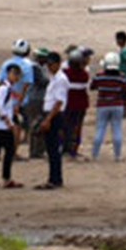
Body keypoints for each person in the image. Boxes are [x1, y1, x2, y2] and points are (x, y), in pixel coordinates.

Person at [0, 64, 23, 189]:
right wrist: (7, 120)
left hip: (3, 126)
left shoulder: (8, 89)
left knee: (7, 152)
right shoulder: (4, 89)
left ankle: (4, 178)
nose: (16, 78)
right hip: (0, 126)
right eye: (15, 74)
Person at [36, 51, 68, 190]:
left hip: (54, 115)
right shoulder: (54, 77)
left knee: (53, 149)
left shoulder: (61, 79)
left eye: (51, 64)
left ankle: (55, 179)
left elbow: (59, 102)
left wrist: (48, 119)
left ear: (58, 64)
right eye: (48, 64)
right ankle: (54, 178)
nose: (49, 67)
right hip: (50, 114)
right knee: (51, 149)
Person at [91, 52, 126, 161]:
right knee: (117, 129)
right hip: (117, 105)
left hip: (102, 105)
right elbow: (125, 90)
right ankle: (117, 155)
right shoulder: (121, 77)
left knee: (100, 129)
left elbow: (92, 86)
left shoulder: (99, 77)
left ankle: (95, 155)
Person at [0, 39, 34, 149]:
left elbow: (0, 82)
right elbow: (27, 85)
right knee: (19, 126)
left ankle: (1, 149)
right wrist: (20, 102)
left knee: (4, 125)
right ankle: (14, 149)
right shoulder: (28, 65)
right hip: (22, 101)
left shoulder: (6, 63)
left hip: (7, 99)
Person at [63, 49, 91, 159]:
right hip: (80, 106)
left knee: (65, 126)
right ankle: (73, 149)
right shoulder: (84, 75)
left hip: (67, 105)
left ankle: (65, 148)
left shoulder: (65, 73)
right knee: (77, 127)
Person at [25, 49, 50, 160]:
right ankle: (35, 151)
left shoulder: (41, 68)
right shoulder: (34, 68)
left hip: (40, 99)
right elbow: (41, 82)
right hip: (36, 99)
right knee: (36, 124)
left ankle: (39, 150)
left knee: (40, 124)